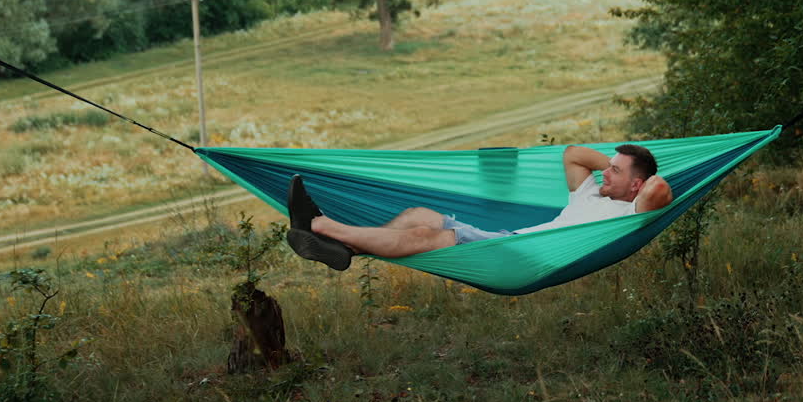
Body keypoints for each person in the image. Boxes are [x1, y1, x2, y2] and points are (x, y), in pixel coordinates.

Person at [285, 143, 673, 270]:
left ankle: (320, 225)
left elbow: (659, 188)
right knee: (419, 215)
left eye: (616, 172)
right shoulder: (590, 194)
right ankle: (343, 251)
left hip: (526, 259)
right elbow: (573, 154)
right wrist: (612, 169)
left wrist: (629, 188)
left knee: (427, 236)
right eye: (606, 168)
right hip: (511, 241)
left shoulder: (630, 213)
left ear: (636, 185)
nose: (604, 174)